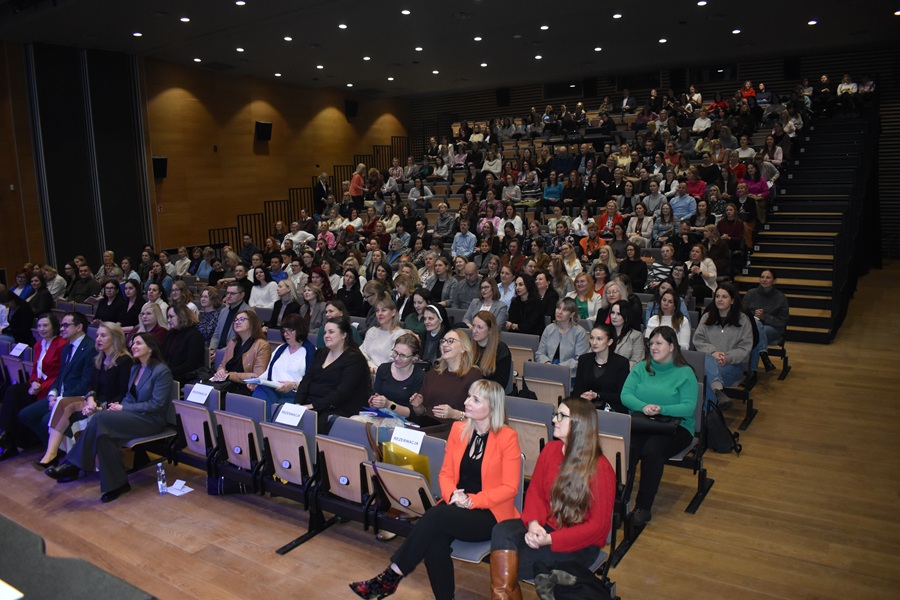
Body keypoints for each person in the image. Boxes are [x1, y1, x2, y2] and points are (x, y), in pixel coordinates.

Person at [350, 379, 520, 600]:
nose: (467, 402)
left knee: (435, 516)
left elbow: (510, 488)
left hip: (490, 514)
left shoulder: (507, 437)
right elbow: (446, 474)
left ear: (492, 407)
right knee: (434, 542)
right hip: (455, 507)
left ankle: (390, 577)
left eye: (475, 399)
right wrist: (453, 495)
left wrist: (471, 501)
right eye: (469, 396)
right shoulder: (459, 429)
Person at [489, 397, 615, 596]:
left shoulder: (600, 468)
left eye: (561, 416)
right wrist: (533, 524)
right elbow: (536, 492)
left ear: (579, 424)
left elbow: (597, 527)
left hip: (578, 543)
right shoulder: (550, 450)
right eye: (556, 414)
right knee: (502, 531)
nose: (554, 420)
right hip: (545, 526)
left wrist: (550, 539)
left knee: (508, 564)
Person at [45, 333, 174, 503]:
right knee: (103, 435)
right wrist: (117, 408)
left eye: (138, 343)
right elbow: (129, 395)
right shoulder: (135, 368)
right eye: (133, 343)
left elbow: (157, 405)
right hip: (132, 416)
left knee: (99, 420)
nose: (133, 346)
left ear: (150, 347)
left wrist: (124, 408)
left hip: (151, 421)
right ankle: (117, 485)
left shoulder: (161, 371)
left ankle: (74, 464)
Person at [621, 326, 699, 526]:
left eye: (659, 343)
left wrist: (661, 409)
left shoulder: (685, 372)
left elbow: (688, 408)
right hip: (644, 422)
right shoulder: (641, 367)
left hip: (676, 427)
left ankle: (643, 507)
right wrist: (644, 407)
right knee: (628, 448)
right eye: (651, 343)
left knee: (652, 451)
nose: (653, 347)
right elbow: (626, 395)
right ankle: (620, 502)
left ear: (672, 346)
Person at [35, 322, 132, 469]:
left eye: (103, 335)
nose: (98, 339)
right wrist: (91, 400)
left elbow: (123, 393)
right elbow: (90, 386)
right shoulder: (99, 358)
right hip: (95, 401)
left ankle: (73, 464)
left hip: (113, 406)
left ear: (115, 338)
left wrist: (98, 407)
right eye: (97, 335)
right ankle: (51, 454)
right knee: (63, 404)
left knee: (73, 418)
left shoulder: (124, 361)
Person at [16, 311, 98, 455]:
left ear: (79, 327)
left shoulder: (89, 348)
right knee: (25, 414)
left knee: (45, 420)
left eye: (66, 325)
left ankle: (58, 453)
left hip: (76, 398)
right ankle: (56, 449)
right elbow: (60, 376)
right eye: (61, 325)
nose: (61, 329)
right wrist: (53, 394)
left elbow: (85, 383)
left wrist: (60, 399)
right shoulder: (67, 347)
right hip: (60, 395)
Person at [0, 314, 66, 461]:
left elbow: (61, 375)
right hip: (39, 386)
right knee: (13, 391)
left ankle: (10, 439)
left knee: (17, 395)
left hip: (52, 388)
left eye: (45, 325)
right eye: (40, 326)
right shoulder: (38, 345)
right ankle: (7, 439)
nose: (42, 329)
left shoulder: (61, 345)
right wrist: (33, 382)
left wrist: (41, 386)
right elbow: (36, 370)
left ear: (54, 327)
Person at [295, 317, 372, 433]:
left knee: (318, 422)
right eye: (325, 332)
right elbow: (306, 381)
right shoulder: (321, 353)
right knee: (285, 414)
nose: (326, 335)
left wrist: (311, 406)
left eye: (331, 332)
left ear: (344, 335)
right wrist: (297, 403)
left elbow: (342, 393)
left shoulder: (354, 359)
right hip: (314, 403)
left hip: (339, 407)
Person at [409, 329, 483, 433]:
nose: (444, 344)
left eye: (450, 341)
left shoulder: (473, 376)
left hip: (457, 430)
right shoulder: (433, 374)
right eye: (443, 341)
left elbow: (480, 416)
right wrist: (417, 406)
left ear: (463, 348)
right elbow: (422, 412)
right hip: (429, 427)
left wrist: (454, 414)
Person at [692, 284, 753, 409]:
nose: (720, 299)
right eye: (717, 296)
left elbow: (745, 347)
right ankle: (717, 393)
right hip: (708, 361)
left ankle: (704, 418)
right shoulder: (706, 317)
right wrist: (713, 352)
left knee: (703, 378)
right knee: (706, 369)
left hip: (732, 365)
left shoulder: (743, 320)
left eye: (724, 297)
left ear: (732, 300)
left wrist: (727, 357)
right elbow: (698, 340)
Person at [251, 314, 315, 416]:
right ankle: (258, 428)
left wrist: (293, 385)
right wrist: (257, 381)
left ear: (300, 330)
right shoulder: (280, 349)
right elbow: (268, 372)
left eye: (290, 330)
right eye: (284, 331)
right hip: (273, 389)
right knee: (259, 392)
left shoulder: (311, 352)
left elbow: (312, 381)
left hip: (294, 393)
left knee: (280, 412)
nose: (286, 334)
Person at [366, 333, 427, 420]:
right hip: (380, 414)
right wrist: (374, 402)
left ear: (414, 358)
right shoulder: (383, 369)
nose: (397, 358)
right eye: (395, 352)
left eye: (403, 356)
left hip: (402, 420)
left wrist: (389, 404)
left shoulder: (419, 376)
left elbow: (412, 413)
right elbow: (375, 395)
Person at [210, 309, 271, 396]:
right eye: (235, 320)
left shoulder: (262, 345)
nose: (237, 322)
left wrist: (229, 375)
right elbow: (222, 365)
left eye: (242, 319)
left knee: (217, 396)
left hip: (246, 387)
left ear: (252, 323)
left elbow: (258, 375)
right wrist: (221, 372)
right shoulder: (233, 342)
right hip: (225, 383)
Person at [573, 323, 631, 413]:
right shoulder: (584, 359)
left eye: (599, 339)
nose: (594, 342)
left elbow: (620, 396)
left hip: (611, 409)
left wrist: (597, 395)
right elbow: (577, 389)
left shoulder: (621, 363)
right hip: (586, 408)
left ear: (609, 342)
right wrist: (583, 395)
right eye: (592, 338)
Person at [742, 269, 789, 374]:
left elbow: (783, 321)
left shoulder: (781, 298)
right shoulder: (751, 294)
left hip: (772, 329)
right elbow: (742, 313)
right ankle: (763, 356)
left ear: (774, 281)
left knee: (757, 333)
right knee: (756, 331)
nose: (764, 280)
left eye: (768, 277)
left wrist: (765, 317)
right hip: (751, 327)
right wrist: (753, 315)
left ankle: (752, 371)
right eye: (762, 277)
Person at [535, 298, 589, 380]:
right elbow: (539, 353)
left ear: (571, 314)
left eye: (565, 310)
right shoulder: (549, 329)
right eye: (558, 308)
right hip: (547, 370)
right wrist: (547, 363)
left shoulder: (579, 332)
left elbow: (580, 360)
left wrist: (558, 367)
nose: (559, 312)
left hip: (569, 374)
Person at [360, 295, 408, 373]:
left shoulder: (400, 334)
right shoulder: (372, 331)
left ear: (393, 312)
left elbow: (394, 360)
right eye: (377, 311)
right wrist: (369, 366)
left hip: (387, 374)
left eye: (383, 310)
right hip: (367, 371)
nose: (380, 314)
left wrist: (377, 370)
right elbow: (362, 352)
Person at [162, 304, 205, 385]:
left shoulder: (194, 335)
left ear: (181, 316)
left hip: (185, 377)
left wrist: (168, 371)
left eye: (171, 317)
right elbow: (163, 356)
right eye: (168, 317)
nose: (168, 320)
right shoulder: (170, 334)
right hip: (169, 374)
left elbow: (192, 364)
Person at [471, 310, 512, 391]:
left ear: (490, 330)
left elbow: (500, 384)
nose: (474, 330)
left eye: (480, 327)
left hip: (488, 394)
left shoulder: (501, 350)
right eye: (473, 326)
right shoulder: (468, 345)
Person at [608, 300, 645, 369]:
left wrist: (615, 369)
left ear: (626, 317)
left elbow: (637, 362)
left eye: (618, 314)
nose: (614, 317)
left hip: (624, 374)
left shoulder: (636, 336)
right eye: (612, 313)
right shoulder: (604, 333)